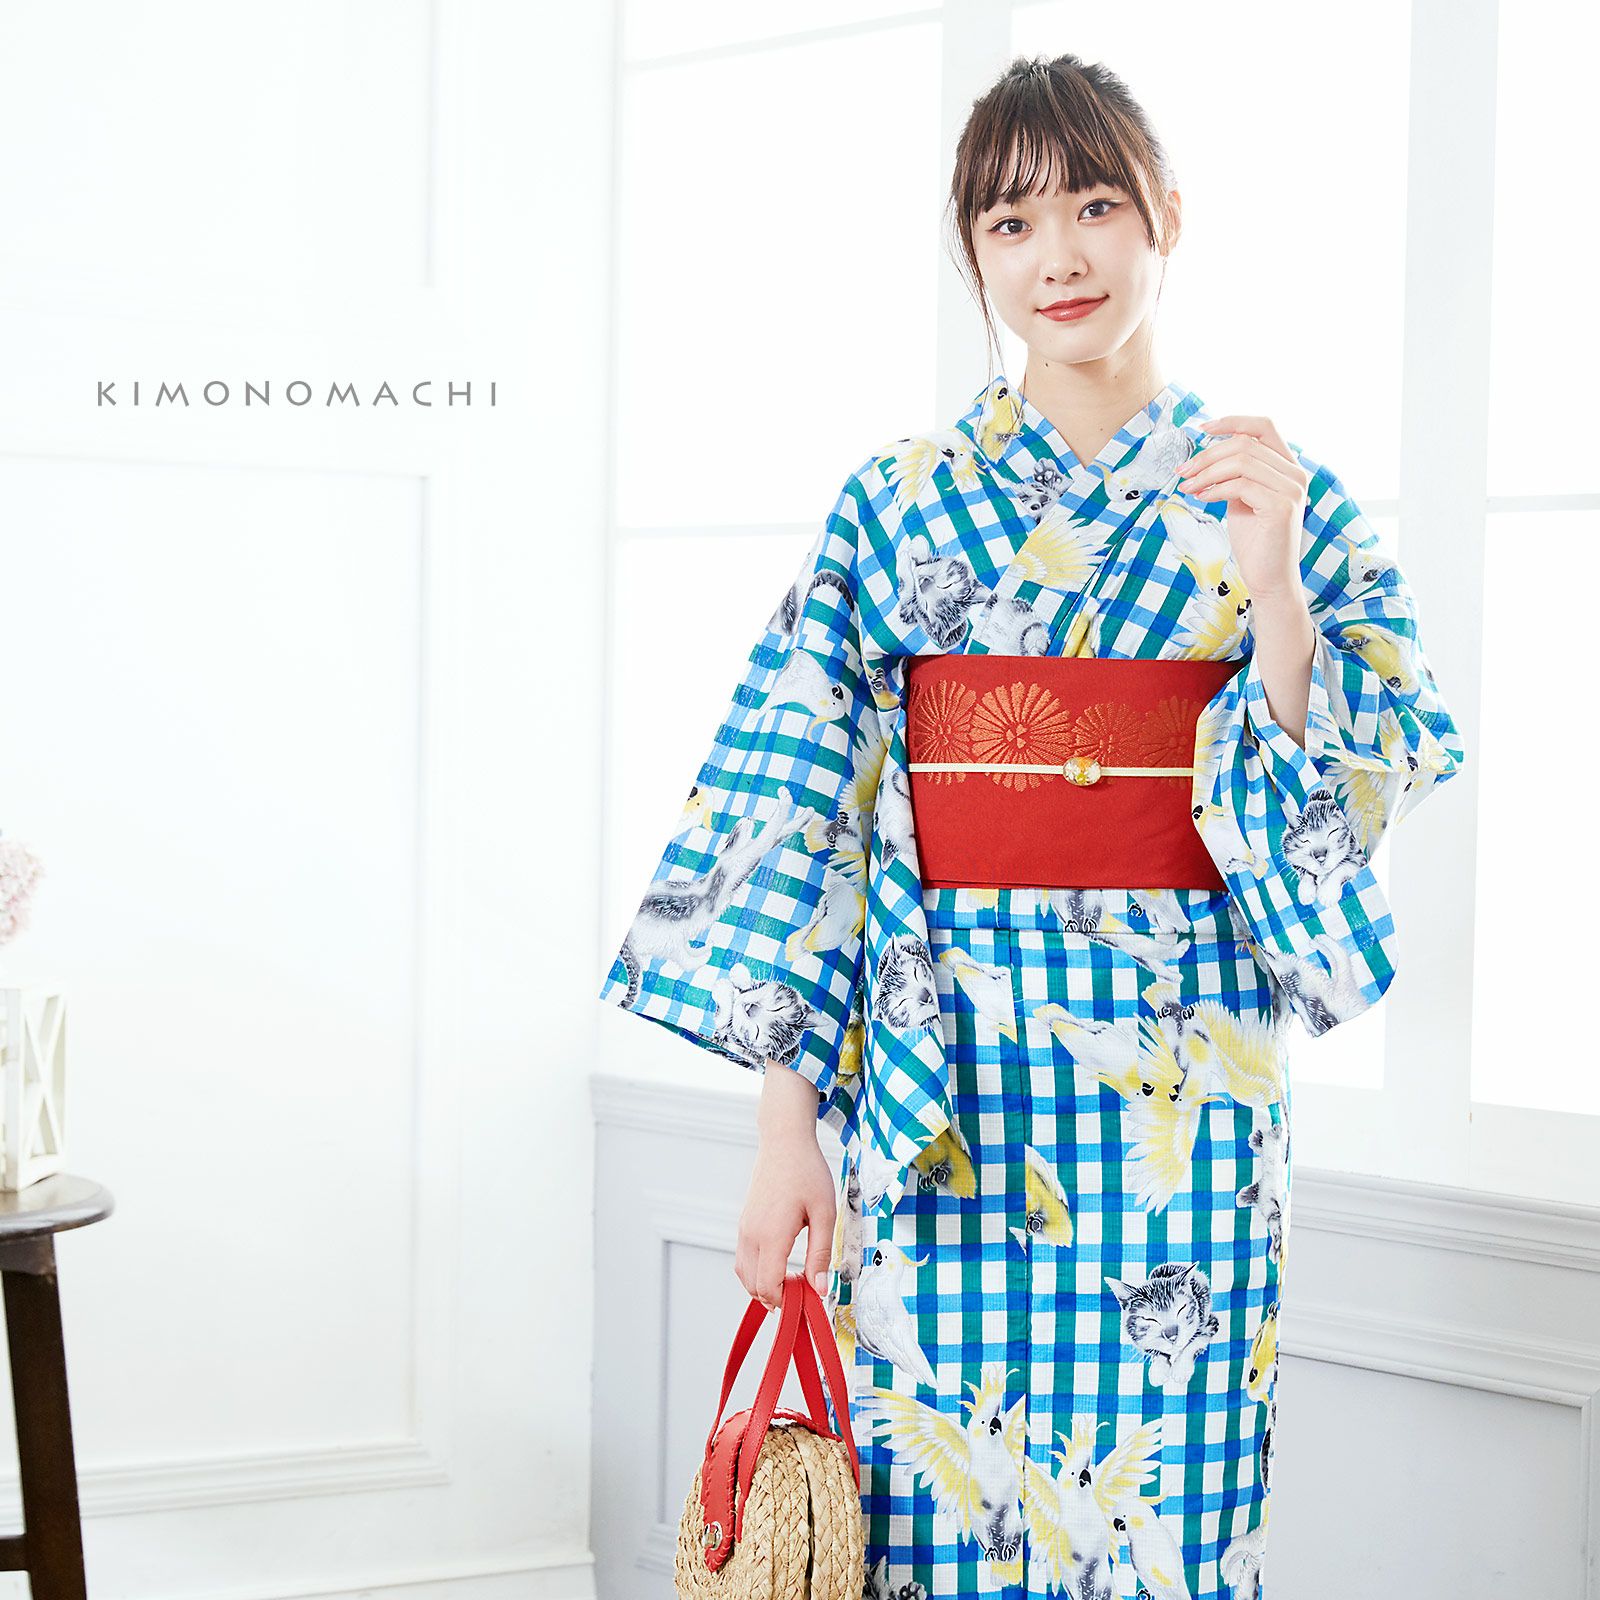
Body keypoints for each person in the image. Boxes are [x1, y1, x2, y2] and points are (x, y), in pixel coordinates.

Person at [599, 51, 1465, 1600]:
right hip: (944, 1090)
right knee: (936, 1512)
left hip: (1183, 1095)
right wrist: (785, 1137)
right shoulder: (896, 502)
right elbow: (804, 813)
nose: (1057, 254)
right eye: (1010, 223)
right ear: (973, 255)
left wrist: (1274, 595)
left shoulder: (1283, 499)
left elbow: (1354, 792)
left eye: (1094, 206)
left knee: (1171, 1521)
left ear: (1168, 217)